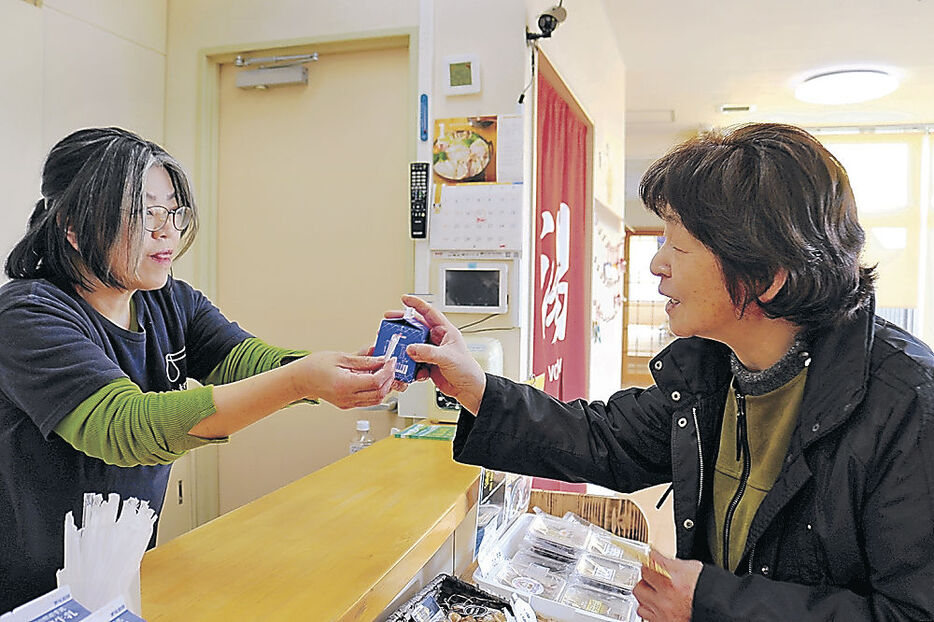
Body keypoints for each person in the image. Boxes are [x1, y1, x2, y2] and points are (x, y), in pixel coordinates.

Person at [396, 123, 934, 621]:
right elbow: (603, 437)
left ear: (767, 277)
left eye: (677, 245)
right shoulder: (715, 369)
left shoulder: (908, 405)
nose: (657, 264)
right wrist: (474, 386)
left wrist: (714, 605)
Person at [0, 127, 396, 610]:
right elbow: (126, 427)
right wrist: (299, 380)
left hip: (119, 577)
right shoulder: (28, 315)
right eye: (143, 213)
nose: (167, 231)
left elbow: (246, 362)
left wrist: (352, 368)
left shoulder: (169, 299)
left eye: (172, 211)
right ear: (74, 225)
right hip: (29, 592)